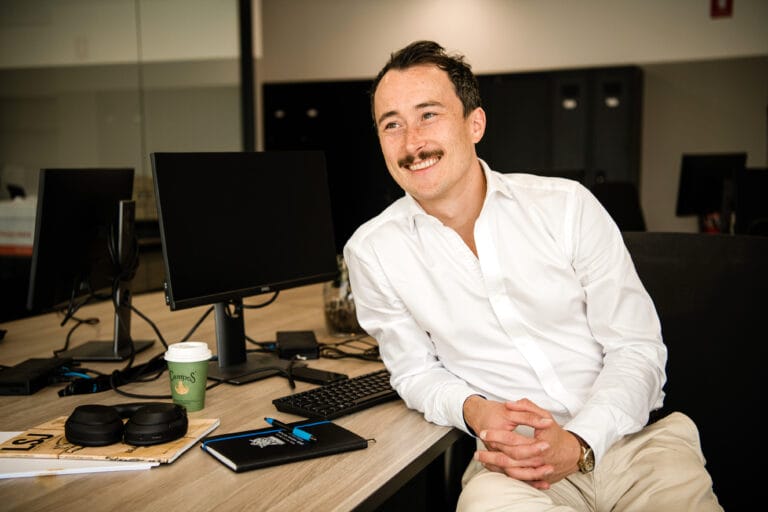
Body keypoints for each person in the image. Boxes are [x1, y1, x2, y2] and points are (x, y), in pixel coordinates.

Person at [343, 40, 722, 511]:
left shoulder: (566, 206)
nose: (411, 143)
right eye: (392, 124)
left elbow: (636, 348)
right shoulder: (372, 252)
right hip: (512, 465)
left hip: (634, 445)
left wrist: (580, 442)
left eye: (428, 115)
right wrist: (474, 410)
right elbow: (414, 371)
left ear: (475, 123)